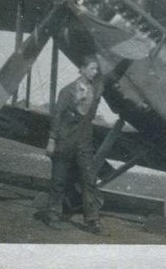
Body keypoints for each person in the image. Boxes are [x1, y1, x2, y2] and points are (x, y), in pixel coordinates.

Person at [44, 56, 104, 234]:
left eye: (96, 69)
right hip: (65, 141)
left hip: (84, 142)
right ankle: (53, 215)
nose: (95, 72)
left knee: (89, 181)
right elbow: (56, 116)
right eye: (92, 68)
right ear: (83, 69)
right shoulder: (68, 91)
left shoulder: (96, 90)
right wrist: (52, 140)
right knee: (59, 180)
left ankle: (93, 221)